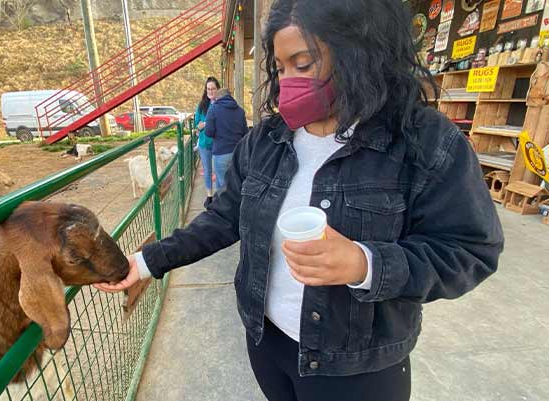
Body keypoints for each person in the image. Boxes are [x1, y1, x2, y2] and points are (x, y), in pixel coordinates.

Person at [95, 1, 504, 400]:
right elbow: (223, 217)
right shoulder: (266, 140)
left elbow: (470, 251)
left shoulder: (425, 143)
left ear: (359, 52)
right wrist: (146, 262)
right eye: (281, 67)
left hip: (356, 369)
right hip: (267, 341)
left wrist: (365, 263)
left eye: (303, 64)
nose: (288, 80)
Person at [205, 88, 248, 192]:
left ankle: (223, 207)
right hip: (238, 153)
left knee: (222, 187)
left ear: (218, 98)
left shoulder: (213, 109)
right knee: (237, 184)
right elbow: (245, 133)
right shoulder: (240, 111)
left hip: (221, 153)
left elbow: (209, 132)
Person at [194, 77, 220, 207]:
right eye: (208, 89)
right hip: (205, 144)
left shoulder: (221, 103)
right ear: (206, 90)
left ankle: (221, 196)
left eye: (213, 89)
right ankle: (209, 196)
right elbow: (196, 125)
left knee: (220, 170)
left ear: (217, 89)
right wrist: (203, 124)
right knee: (208, 171)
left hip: (218, 143)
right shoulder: (201, 105)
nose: (211, 91)